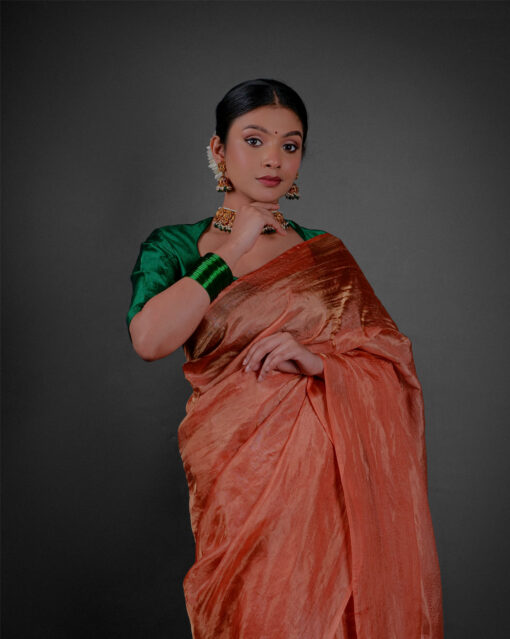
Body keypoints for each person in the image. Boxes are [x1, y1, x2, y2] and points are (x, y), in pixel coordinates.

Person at [126, 78, 444, 638]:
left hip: (335, 485)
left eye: (290, 145)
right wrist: (227, 252)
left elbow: (391, 359)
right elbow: (150, 339)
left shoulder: (323, 252)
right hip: (242, 485)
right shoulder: (177, 245)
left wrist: (322, 363)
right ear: (218, 151)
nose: (274, 159)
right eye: (254, 140)